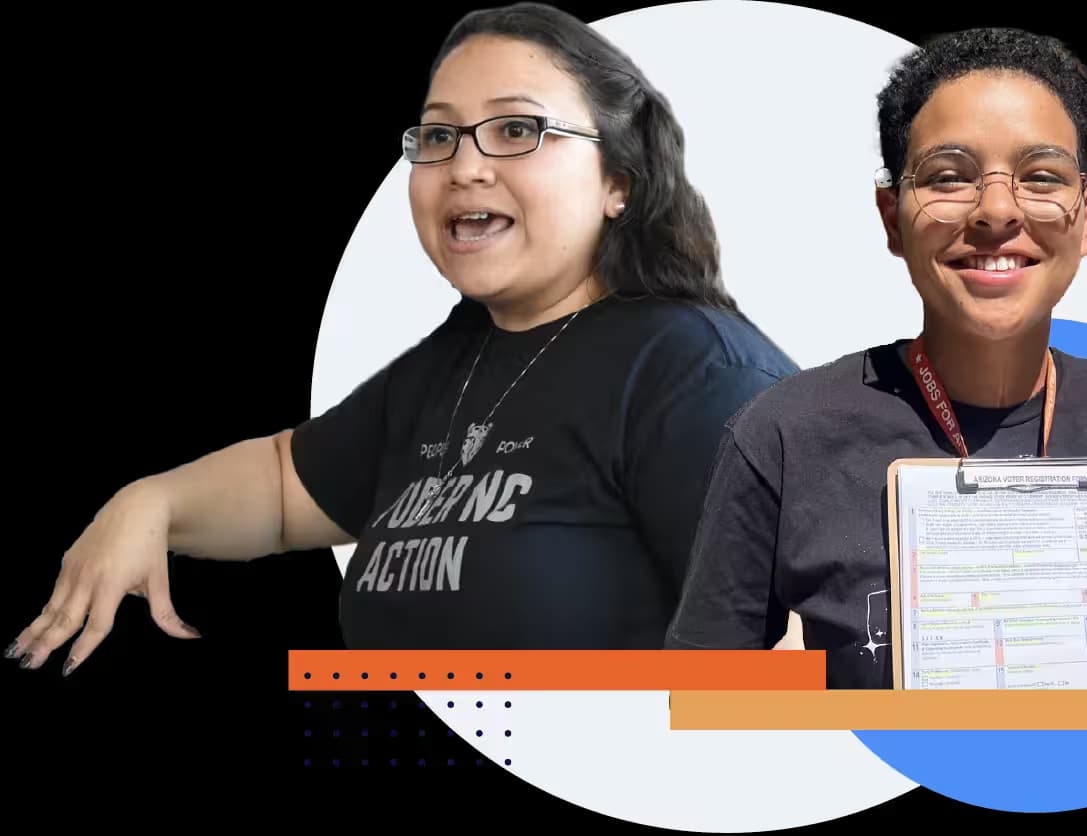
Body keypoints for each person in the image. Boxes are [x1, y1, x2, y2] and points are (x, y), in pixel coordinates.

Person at [7, 2, 797, 674]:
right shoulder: (455, 358)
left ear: (618, 181)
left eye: (517, 129)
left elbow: (794, 668)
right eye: (438, 136)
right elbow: (286, 489)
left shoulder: (695, 373)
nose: (464, 167)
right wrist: (150, 501)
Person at [664, 27, 1087, 689]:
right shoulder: (784, 433)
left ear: (1082, 221)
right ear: (891, 218)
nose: (995, 210)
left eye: (1040, 176)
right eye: (948, 177)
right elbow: (702, 697)